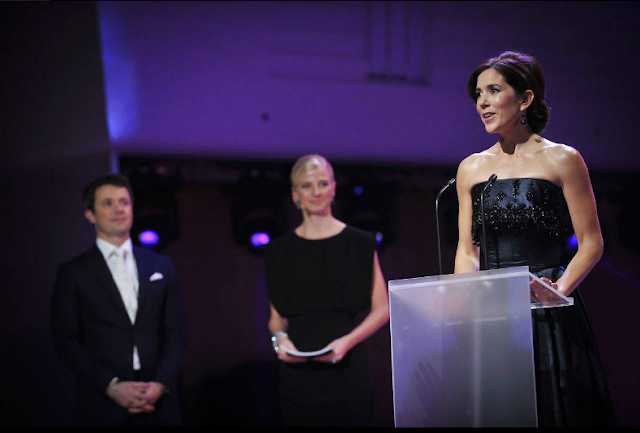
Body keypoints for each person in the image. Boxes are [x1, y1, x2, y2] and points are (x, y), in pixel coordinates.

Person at [454, 51, 616, 427]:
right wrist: (466, 307)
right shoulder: (471, 168)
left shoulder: (563, 160)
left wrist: (558, 290)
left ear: (525, 98)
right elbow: (466, 250)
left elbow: (591, 243)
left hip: (548, 311)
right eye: (478, 94)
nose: (483, 102)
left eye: (494, 90)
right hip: (493, 311)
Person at [264, 155, 390, 427]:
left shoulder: (360, 243)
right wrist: (279, 339)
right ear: (295, 194)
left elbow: (382, 308)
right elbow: (276, 317)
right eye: (307, 185)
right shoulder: (278, 251)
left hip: (347, 368)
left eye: (322, 183)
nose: (316, 192)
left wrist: (348, 341)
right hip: (297, 375)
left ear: (333, 188)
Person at [51, 174, 186, 427]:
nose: (119, 209)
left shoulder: (160, 265)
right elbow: (65, 341)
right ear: (90, 215)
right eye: (108, 203)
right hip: (102, 406)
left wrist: (160, 383)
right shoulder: (74, 272)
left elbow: (176, 332)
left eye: (124, 202)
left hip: (159, 404)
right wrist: (111, 387)